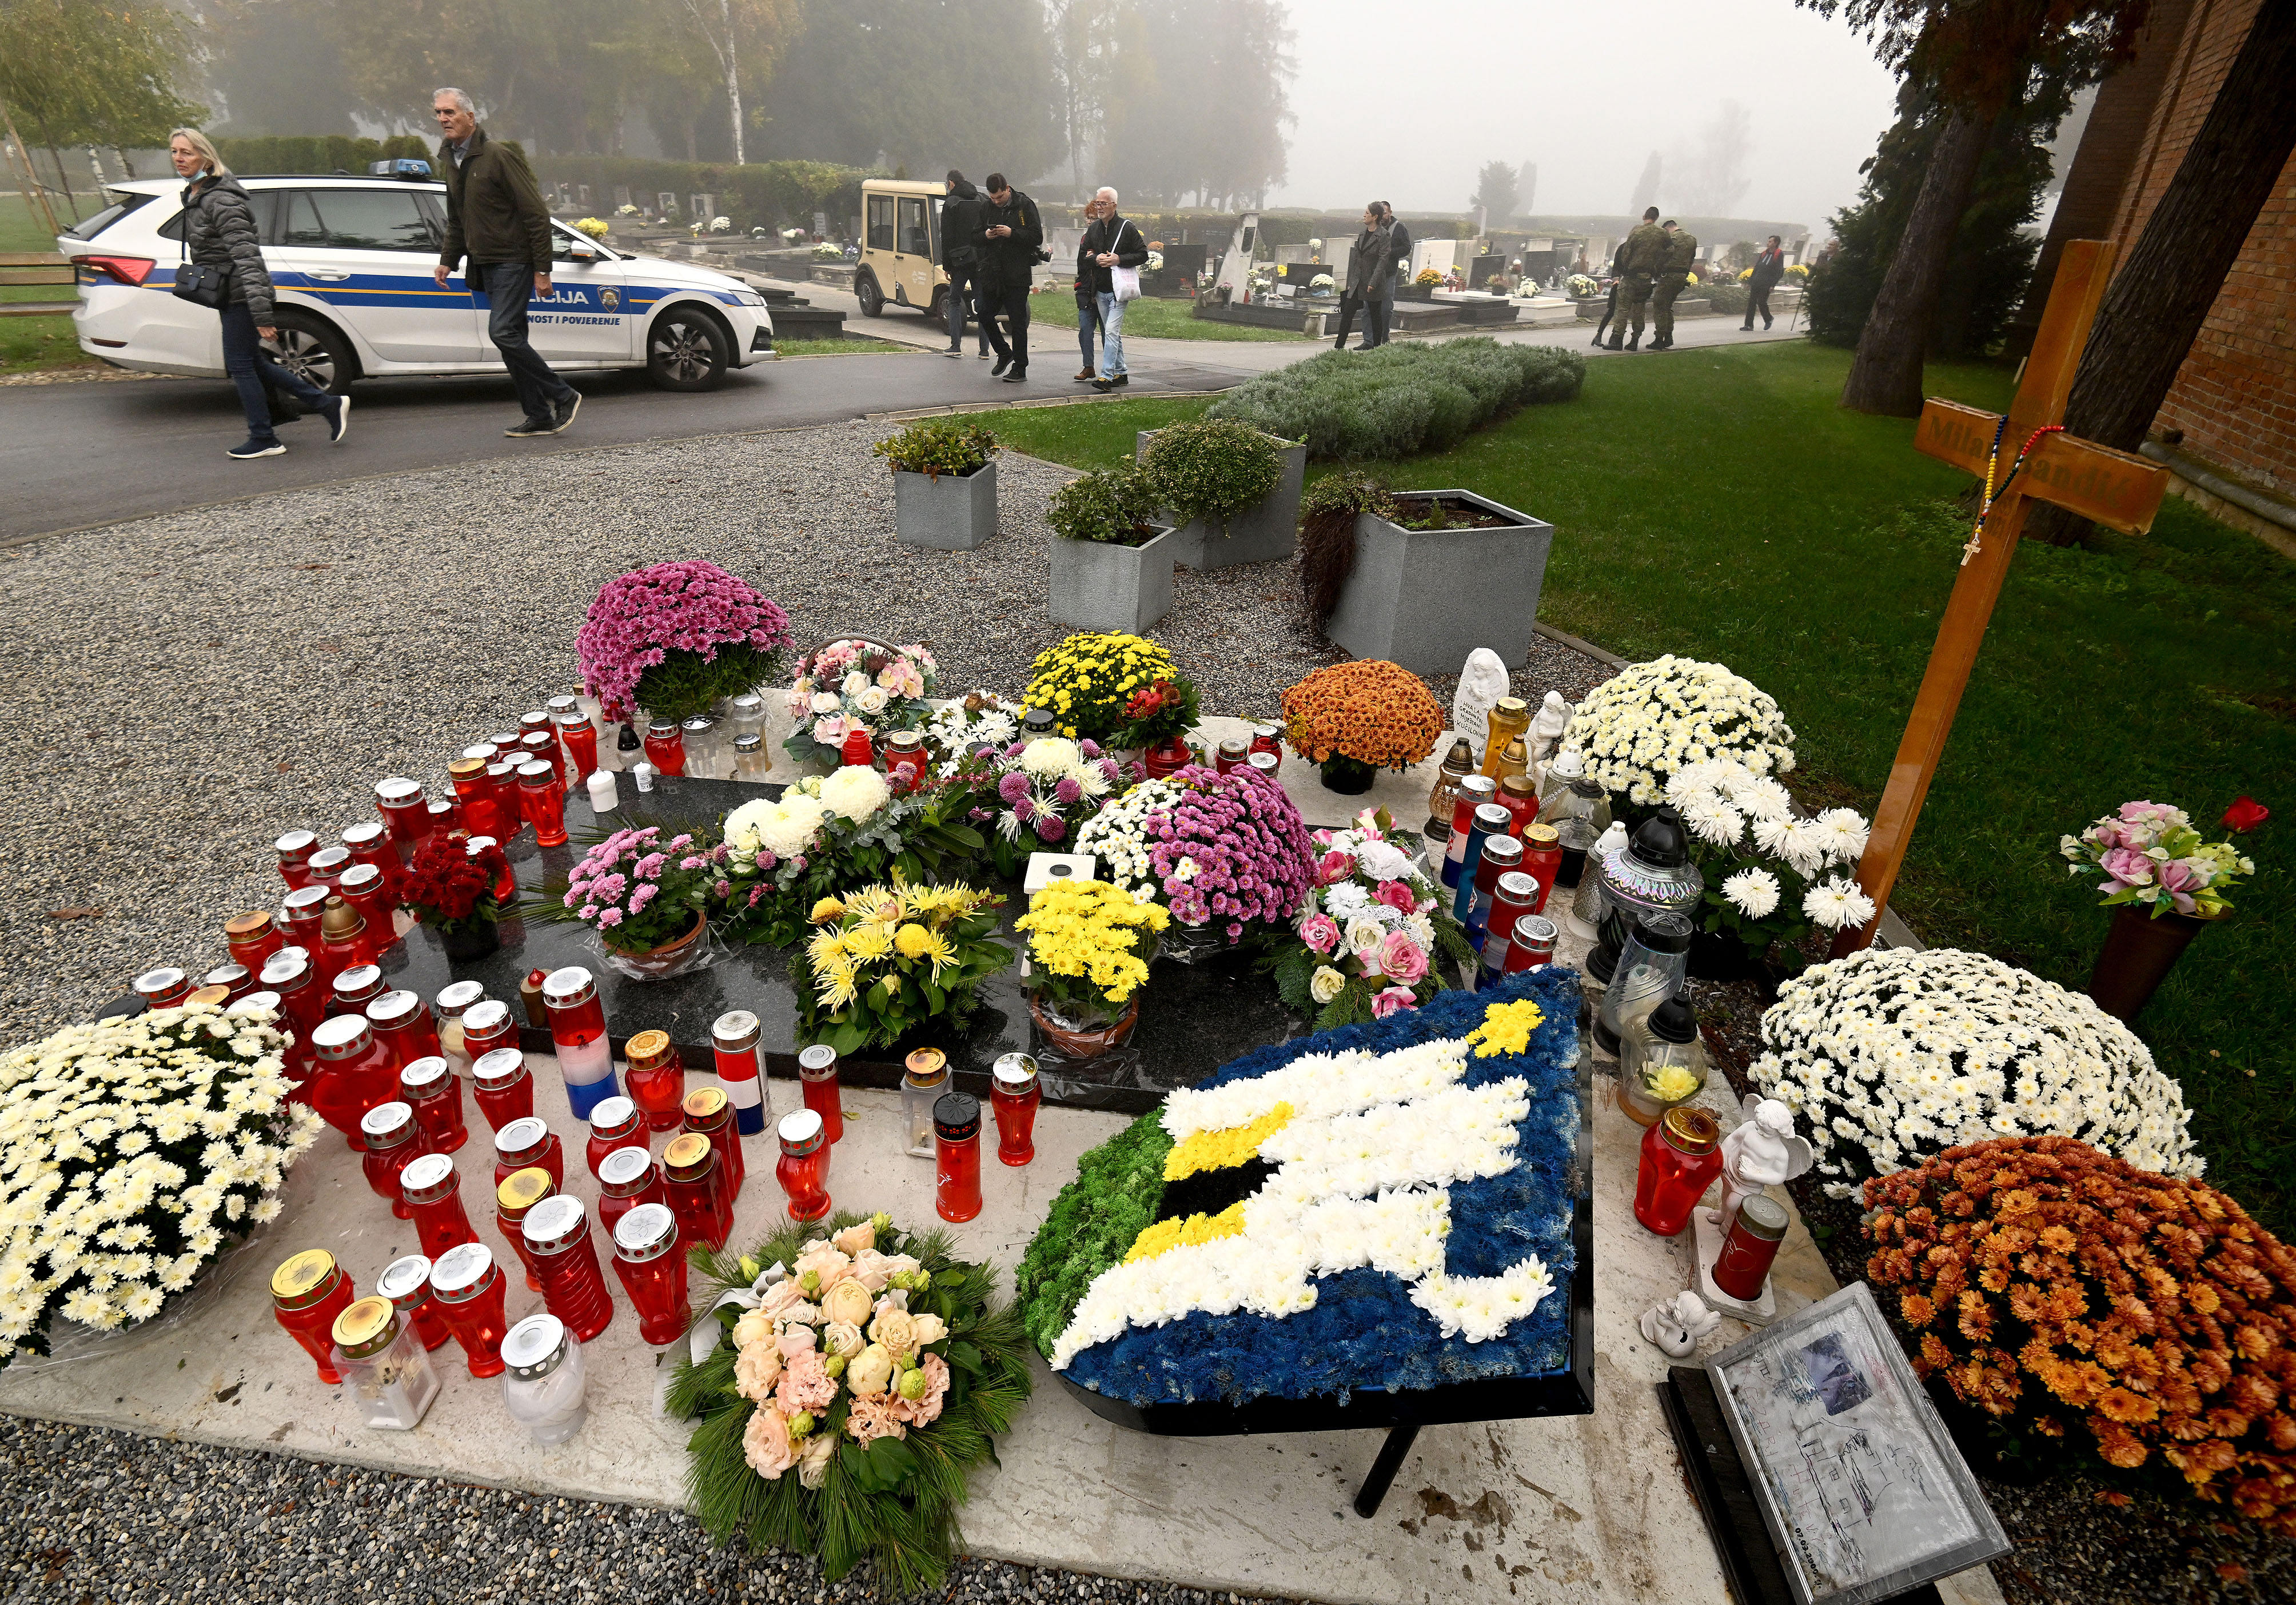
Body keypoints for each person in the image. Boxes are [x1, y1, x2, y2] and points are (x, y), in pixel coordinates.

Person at [166, 127, 346, 460]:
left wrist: (262, 313)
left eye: (187, 152)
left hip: (240, 294)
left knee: (241, 366)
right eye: (175, 151)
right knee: (250, 361)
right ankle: (326, 403)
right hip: (227, 291)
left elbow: (249, 258)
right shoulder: (198, 194)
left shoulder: (221, 199)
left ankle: (264, 437)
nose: (179, 158)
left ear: (205, 158)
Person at [429, 86, 579, 438]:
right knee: (512, 338)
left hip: (514, 260)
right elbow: (457, 218)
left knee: (502, 332)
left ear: (470, 117)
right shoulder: (451, 159)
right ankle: (539, 415)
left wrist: (543, 269)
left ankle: (564, 394)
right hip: (484, 264)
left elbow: (536, 215)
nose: (443, 119)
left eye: (449, 112)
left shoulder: (499, 157)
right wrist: (448, 260)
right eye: (438, 113)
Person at [1082, 186, 1147, 392]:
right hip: (1100, 290)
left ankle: (1107, 376)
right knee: (1113, 334)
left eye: (1103, 203)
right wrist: (1096, 258)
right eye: (1097, 203)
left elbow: (1143, 254)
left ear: (1114, 206)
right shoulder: (1093, 229)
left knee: (1110, 331)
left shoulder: (1127, 228)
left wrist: (1119, 259)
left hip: (1119, 291)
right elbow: (1084, 255)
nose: (1099, 207)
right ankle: (1122, 372)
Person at [939, 171, 990, 359]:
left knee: (954, 301)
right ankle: (984, 350)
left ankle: (955, 346)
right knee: (981, 303)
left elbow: (947, 237)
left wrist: (947, 265)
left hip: (959, 261)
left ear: (952, 183)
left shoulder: (951, 203)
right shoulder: (982, 199)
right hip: (980, 260)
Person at [1331, 203, 1392, 352]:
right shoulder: (1362, 234)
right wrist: (1352, 282)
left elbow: (1383, 260)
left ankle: (1377, 348)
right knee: (1347, 312)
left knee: (1375, 315)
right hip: (1358, 281)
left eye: (1367, 213)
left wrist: (1373, 282)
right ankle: (1339, 347)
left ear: (1375, 217)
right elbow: (1357, 260)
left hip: (1373, 282)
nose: (1364, 216)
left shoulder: (1384, 235)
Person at [1607, 206, 1667, 352]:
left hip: (1631, 277)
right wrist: (1656, 267)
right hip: (1646, 279)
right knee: (1639, 309)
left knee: (1623, 309)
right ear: (1657, 218)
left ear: (1644, 216)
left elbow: (1625, 255)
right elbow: (1669, 251)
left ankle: (1617, 340)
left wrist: (1628, 269)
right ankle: (1635, 340)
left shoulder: (1637, 232)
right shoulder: (1662, 234)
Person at [1071, 192, 1106, 381]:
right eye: (1088, 218)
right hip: (1085, 290)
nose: (1090, 221)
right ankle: (1088, 366)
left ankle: (1111, 369)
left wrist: (1093, 258)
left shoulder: (1107, 236)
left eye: (1094, 218)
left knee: (1107, 333)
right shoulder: (1085, 239)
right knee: (1085, 330)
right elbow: (1082, 263)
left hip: (1103, 290)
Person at [1649, 219, 1697, 351]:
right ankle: (1668, 335)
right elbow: (1691, 259)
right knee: (1668, 306)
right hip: (1682, 276)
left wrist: (1656, 272)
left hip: (1668, 275)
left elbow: (1663, 256)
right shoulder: (1691, 239)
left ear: (1667, 228)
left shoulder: (1671, 239)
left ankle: (1659, 339)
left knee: (1660, 306)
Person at [1369, 202, 1410, 348]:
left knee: (1386, 309)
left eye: (1385, 213)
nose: (1383, 216)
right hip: (1372, 273)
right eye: (1380, 213)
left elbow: (1406, 248)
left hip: (1388, 274)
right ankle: (1371, 340)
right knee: (1370, 308)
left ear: (1390, 212)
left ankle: (1384, 335)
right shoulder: (1373, 226)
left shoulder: (1399, 228)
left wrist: (1389, 252)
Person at [1743, 234, 1786, 331]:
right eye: (1769, 241)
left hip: (1767, 283)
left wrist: (1773, 285)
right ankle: (1749, 325)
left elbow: (1779, 271)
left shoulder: (1779, 254)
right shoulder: (1764, 254)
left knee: (1761, 302)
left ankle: (1768, 318)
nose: (1768, 243)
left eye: (1771, 242)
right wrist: (1750, 282)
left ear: (1776, 243)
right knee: (1751, 303)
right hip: (1757, 281)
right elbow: (1757, 268)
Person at [1589, 274, 1621, 348]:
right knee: (1611, 312)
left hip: (1627, 286)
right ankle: (1599, 335)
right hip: (1617, 285)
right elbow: (1616, 271)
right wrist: (1617, 280)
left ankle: (1614, 336)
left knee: (1621, 314)